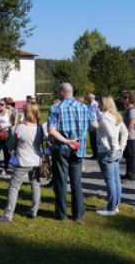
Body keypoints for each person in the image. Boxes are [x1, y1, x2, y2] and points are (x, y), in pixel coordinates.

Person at [48, 83, 98, 221]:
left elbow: (51, 131)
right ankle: (78, 214)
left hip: (61, 148)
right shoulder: (84, 107)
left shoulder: (56, 107)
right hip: (78, 149)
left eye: (58, 92)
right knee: (76, 182)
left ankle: (61, 214)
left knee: (60, 182)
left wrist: (66, 141)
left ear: (62, 93)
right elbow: (94, 126)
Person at [0, 102, 43, 222]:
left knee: (14, 187)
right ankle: (34, 211)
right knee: (35, 186)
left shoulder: (21, 127)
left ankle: (8, 215)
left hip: (24, 162)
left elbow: (14, 145)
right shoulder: (40, 127)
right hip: (37, 161)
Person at [95, 95, 128, 215]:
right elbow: (124, 133)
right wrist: (121, 148)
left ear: (104, 104)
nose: (97, 106)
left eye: (99, 103)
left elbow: (111, 136)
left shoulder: (104, 117)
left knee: (110, 181)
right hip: (116, 151)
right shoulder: (116, 116)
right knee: (116, 180)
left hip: (107, 152)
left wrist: (113, 152)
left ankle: (111, 209)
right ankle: (114, 205)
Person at [122, 91, 135, 184]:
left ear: (130, 98)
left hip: (131, 136)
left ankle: (131, 177)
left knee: (131, 157)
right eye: (123, 97)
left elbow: (131, 125)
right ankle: (127, 174)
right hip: (126, 136)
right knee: (127, 156)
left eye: (125, 97)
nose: (123, 99)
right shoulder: (126, 109)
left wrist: (124, 134)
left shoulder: (132, 110)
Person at [86, 93, 101, 160]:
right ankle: (94, 154)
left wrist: (97, 123)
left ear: (90, 98)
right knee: (92, 139)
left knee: (96, 139)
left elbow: (99, 114)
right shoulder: (90, 106)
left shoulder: (96, 105)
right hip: (90, 124)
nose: (86, 99)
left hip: (95, 124)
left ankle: (98, 154)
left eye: (87, 98)